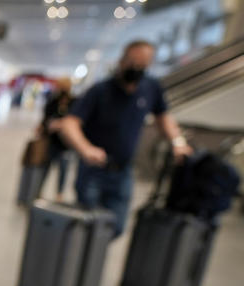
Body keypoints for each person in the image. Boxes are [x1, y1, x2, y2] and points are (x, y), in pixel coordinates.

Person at [61, 40, 192, 236]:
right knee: (88, 228)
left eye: (142, 64)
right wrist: (85, 148)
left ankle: (94, 259)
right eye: (132, 62)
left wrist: (178, 142)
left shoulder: (151, 88)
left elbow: (163, 117)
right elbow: (69, 123)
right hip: (93, 170)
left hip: (123, 171)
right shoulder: (101, 90)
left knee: (116, 227)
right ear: (122, 61)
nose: (136, 68)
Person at [40, 78, 75, 201]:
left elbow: (76, 121)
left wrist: (63, 125)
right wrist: (49, 125)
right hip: (51, 141)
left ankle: (59, 194)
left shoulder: (74, 102)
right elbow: (45, 119)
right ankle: (39, 191)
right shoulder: (53, 101)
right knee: (45, 168)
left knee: (63, 170)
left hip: (66, 144)